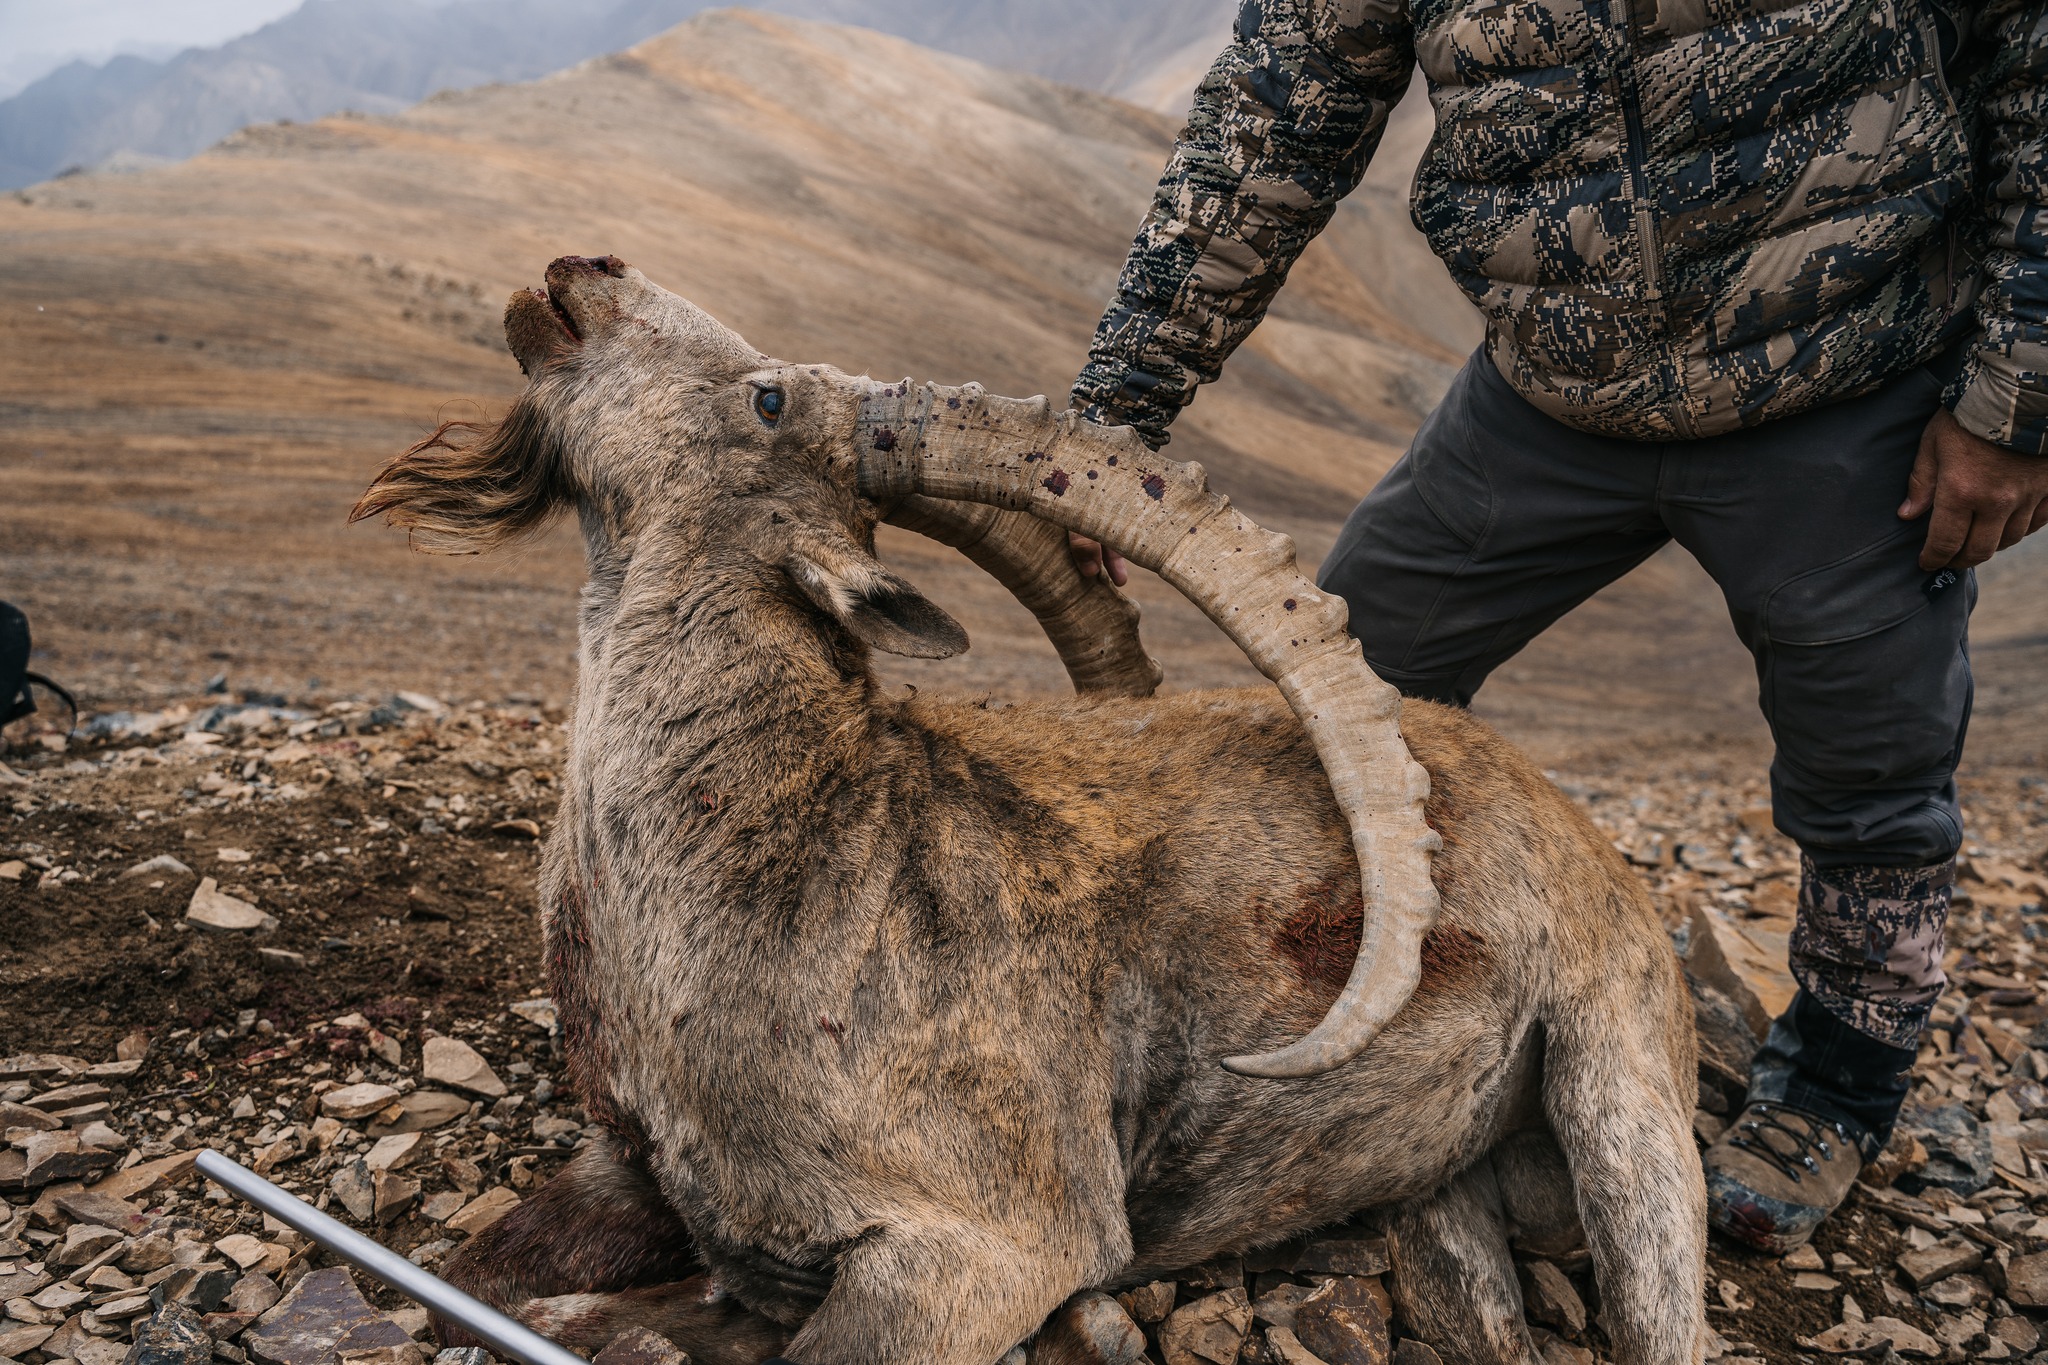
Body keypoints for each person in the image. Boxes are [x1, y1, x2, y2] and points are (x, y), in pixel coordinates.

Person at [1066, 0, 2048, 1253]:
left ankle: (1835, 1089)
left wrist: (2014, 402)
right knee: (1331, 695)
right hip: (1545, 397)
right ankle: (1282, 1012)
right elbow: (1271, 121)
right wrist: (1114, 415)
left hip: (1844, 383)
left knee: (1871, 774)